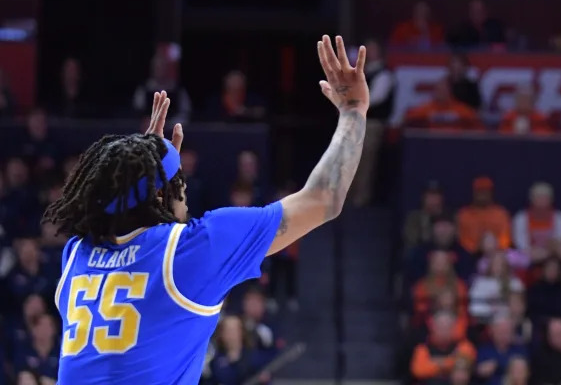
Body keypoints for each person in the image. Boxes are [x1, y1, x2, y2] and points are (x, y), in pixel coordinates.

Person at [43, 35, 369, 384]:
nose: (185, 189)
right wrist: (353, 113)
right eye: (178, 180)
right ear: (162, 196)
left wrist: (146, 165)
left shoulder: (77, 253)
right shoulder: (191, 250)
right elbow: (323, 199)